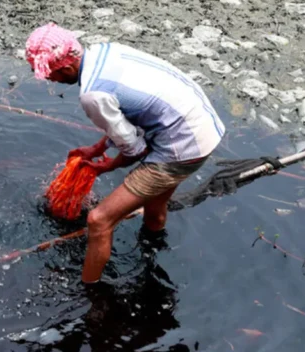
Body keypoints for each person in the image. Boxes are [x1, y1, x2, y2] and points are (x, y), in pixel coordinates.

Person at [25, 23, 225, 283]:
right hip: (203, 125)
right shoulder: (105, 51)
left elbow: (134, 149)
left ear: (66, 67)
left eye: (50, 74)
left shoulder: (91, 96)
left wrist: (106, 166)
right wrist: (98, 148)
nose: (50, 80)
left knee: (99, 220)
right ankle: (152, 248)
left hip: (181, 147)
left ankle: (92, 294)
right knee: (155, 205)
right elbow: (132, 112)